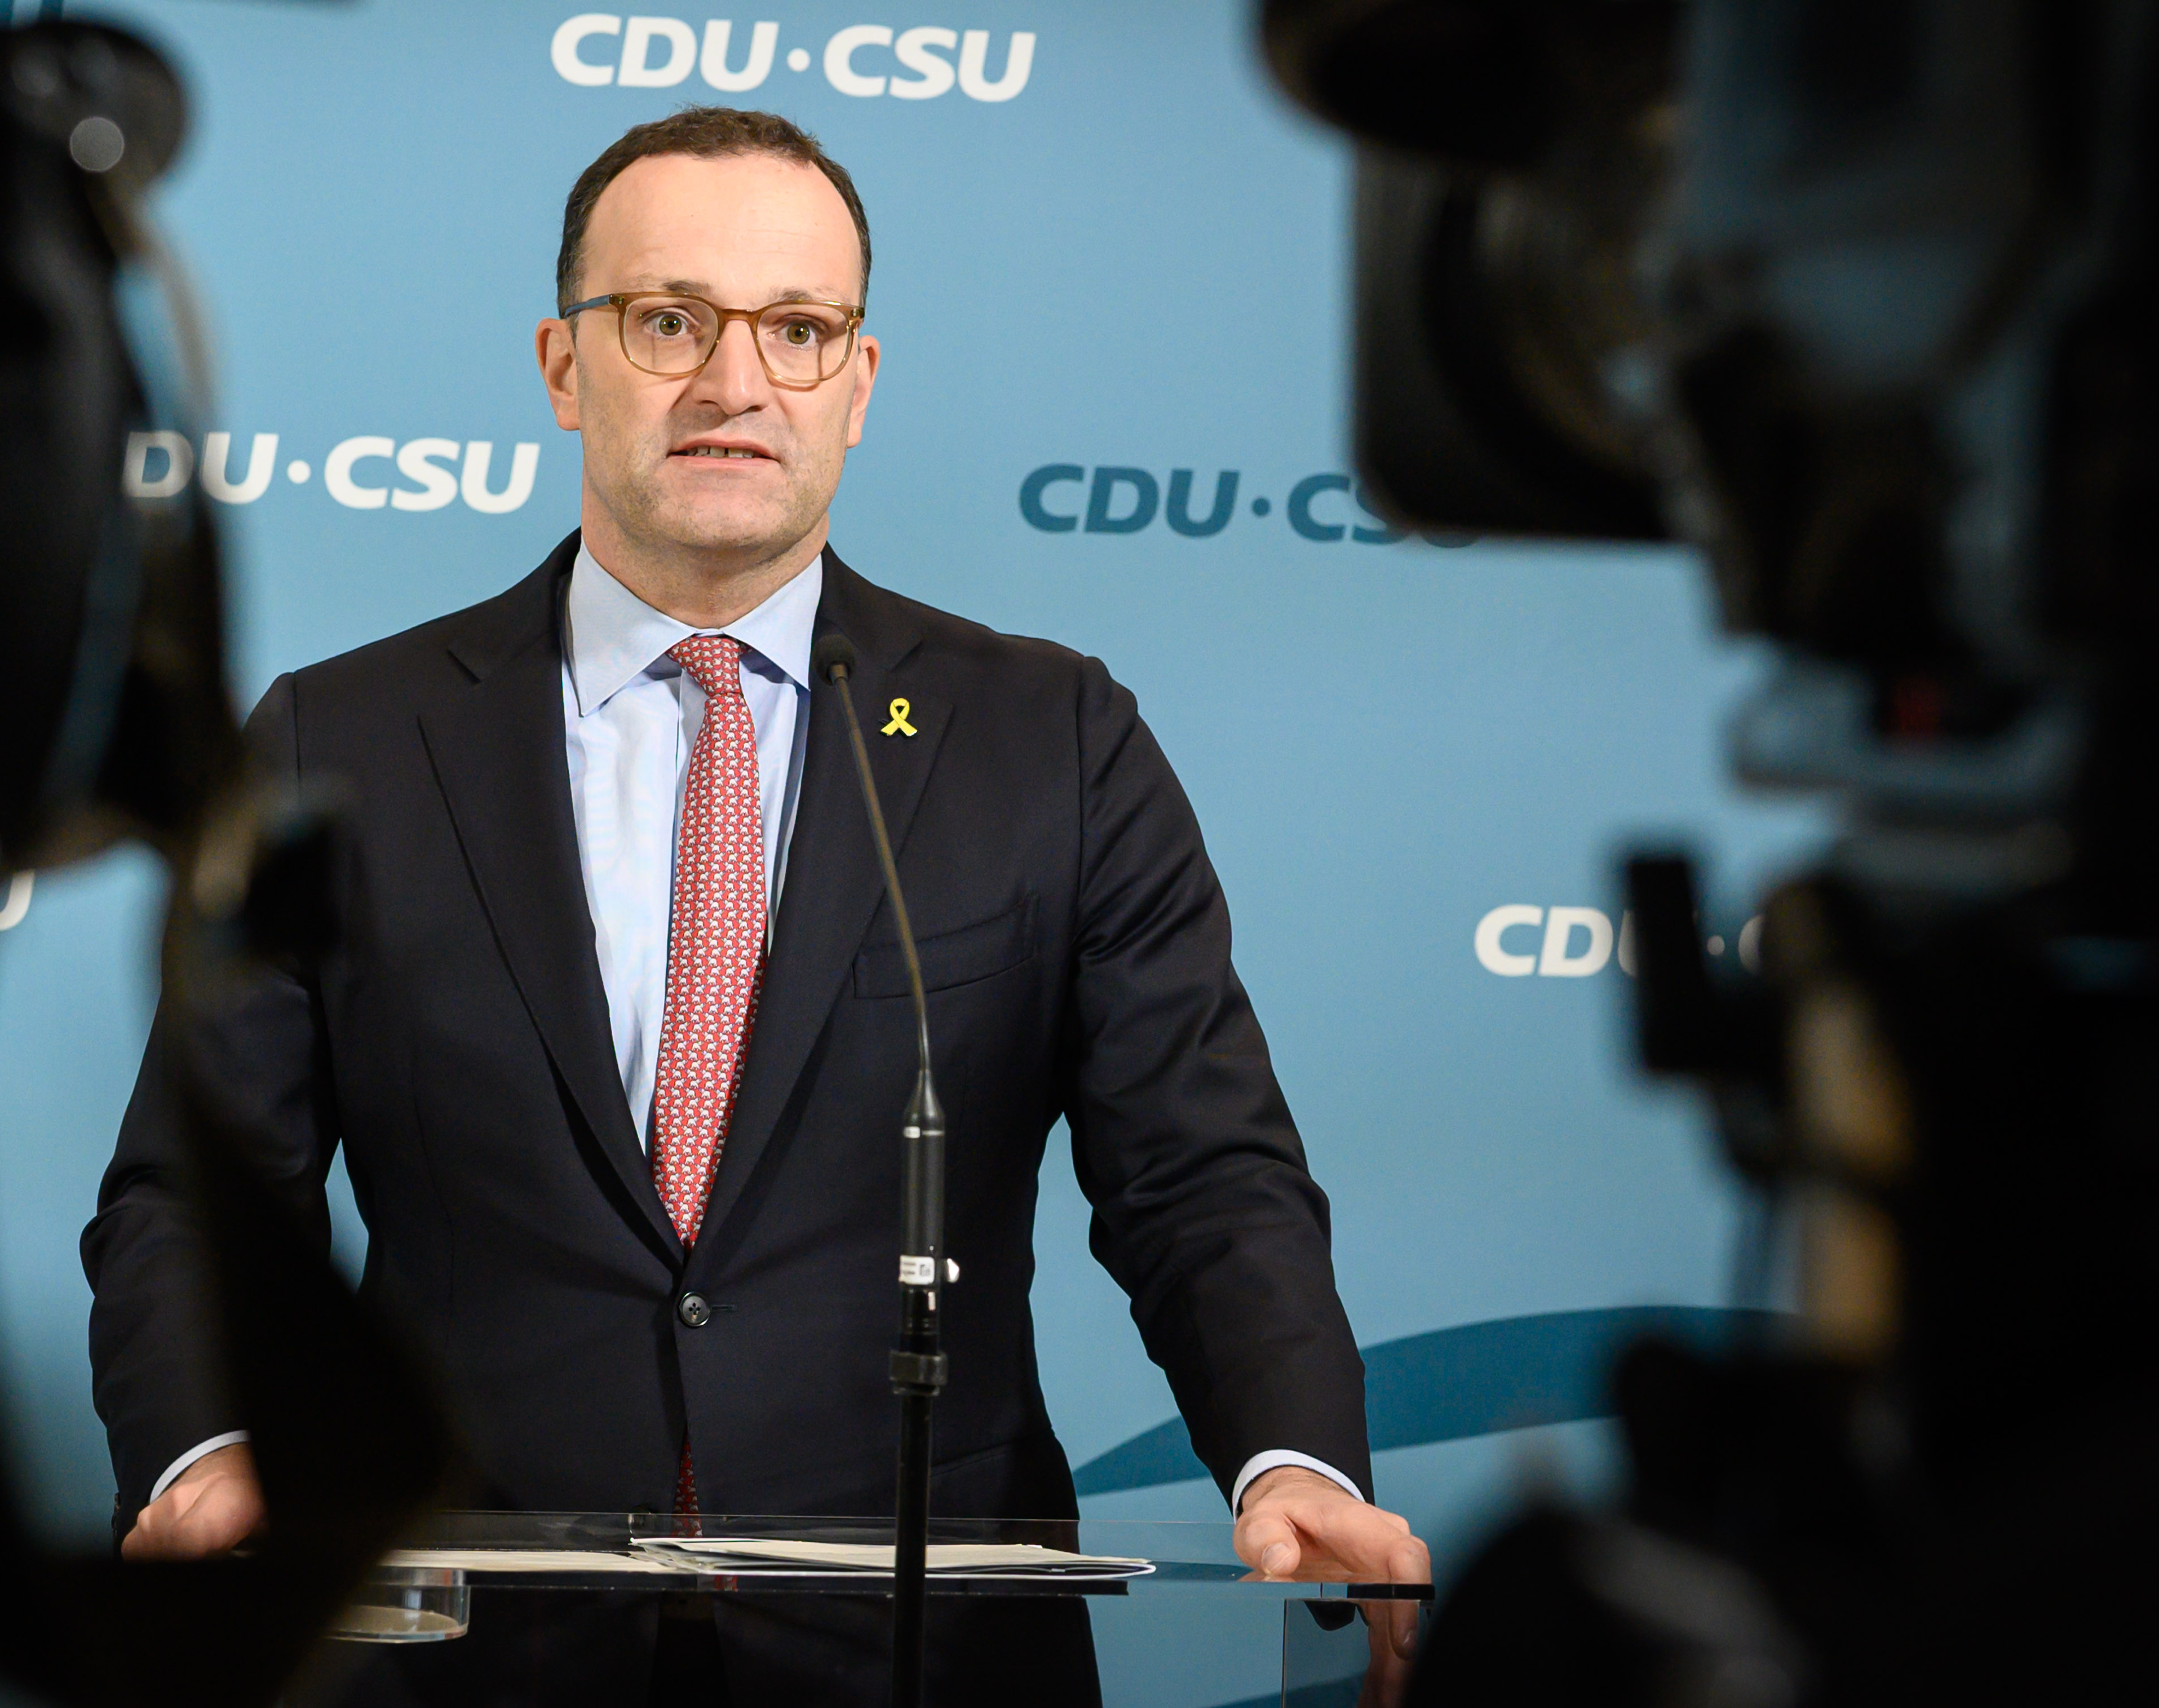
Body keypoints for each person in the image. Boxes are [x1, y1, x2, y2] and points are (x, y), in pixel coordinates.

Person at [84, 106, 1429, 1703]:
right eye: (669, 321)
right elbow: (193, 1185)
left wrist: (1292, 1464)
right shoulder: (339, 740)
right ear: (561, 364)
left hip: (917, 1651)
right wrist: (203, 1452)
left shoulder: (1049, 741)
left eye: (797, 330)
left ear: (856, 387)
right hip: (465, 1648)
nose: (735, 384)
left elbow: (1198, 1173)